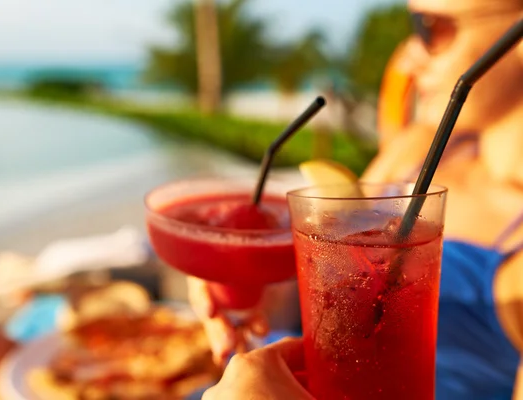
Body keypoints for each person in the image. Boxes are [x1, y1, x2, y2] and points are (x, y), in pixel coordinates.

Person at [190, 0, 523, 398]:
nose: (407, 58)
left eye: (430, 28)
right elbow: (345, 283)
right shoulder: (415, 150)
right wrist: (264, 293)